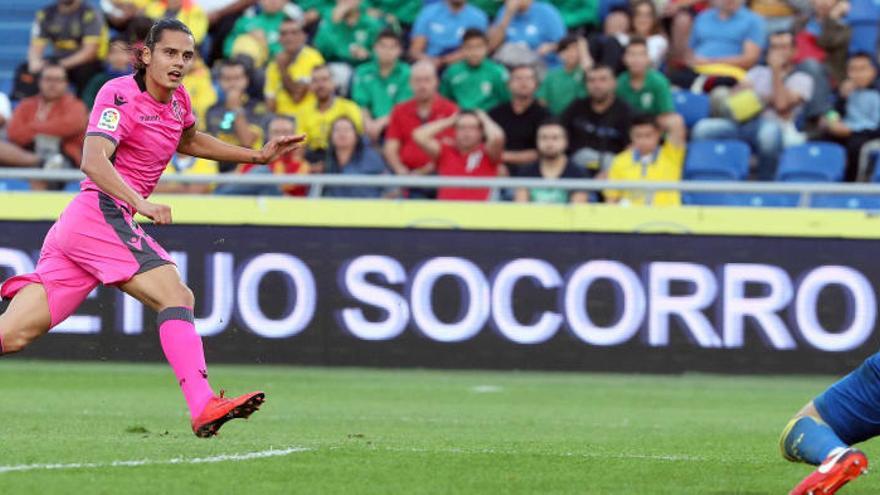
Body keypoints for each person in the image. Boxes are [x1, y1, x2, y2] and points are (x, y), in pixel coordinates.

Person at [0, 19, 304, 438]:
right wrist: (139, 201)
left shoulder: (179, 100)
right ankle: (203, 404)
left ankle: (204, 404)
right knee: (176, 295)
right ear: (145, 55)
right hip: (99, 213)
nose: (179, 63)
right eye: (169, 53)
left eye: (187, 55)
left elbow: (190, 140)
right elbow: (92, 160)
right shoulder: (119, 93)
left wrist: (257, 156)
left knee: (11, 335)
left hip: (83, 227)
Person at [691, 31, 810, 180]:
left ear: (794, 51)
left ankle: (766, 185)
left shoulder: (802, 78)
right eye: (774, 47)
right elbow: (734, 99)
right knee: (703, 129)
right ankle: (706, 179)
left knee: (768, 135)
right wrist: (763, 98)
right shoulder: (757, 72)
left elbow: (781, 105)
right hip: (742, 123)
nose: (778, 52)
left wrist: (775, 72)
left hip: (776, 127)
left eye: (783, 47)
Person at [384, 61, 459, 198]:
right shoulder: (399, 110)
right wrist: (400, 169)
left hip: (440, 175)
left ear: (436, 82)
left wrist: (423, 172)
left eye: (427, 80)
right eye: (417, 81)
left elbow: (452, 149)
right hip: (405, 174)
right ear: (410, 83)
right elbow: (391, 147)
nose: (422, 85)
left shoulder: (451, 110)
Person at [7, 63, 88, 177]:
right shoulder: (26, 104)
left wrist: (32, 127)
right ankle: (40, 162)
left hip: (62, 156)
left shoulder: (76, 105)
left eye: (58, 80)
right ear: (39, 81)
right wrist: (50, 129)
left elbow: (72, 125)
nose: (52, 84)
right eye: (48, 79)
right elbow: (14, 133)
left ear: (66, 83)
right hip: (24, 154)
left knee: (47, 171)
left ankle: (43, 164)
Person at [22, 0, 108, 98]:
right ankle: (26, 107)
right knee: (26, 70)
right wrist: (34, 63)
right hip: (58, 59)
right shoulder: (45, 13)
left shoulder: (90, 13)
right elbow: (36, 46)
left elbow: (89, 52)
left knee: (85, 72)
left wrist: (60, 65)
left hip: (82, 62)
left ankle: (82, 109)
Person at [413, 110, 505, 201]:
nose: (467, 132)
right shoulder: (445, 151)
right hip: (446, 212)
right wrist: (450, 120)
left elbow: (497, 137)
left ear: (481, 132)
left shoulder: (488, 153)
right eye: (462, 127)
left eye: (472, 128)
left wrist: (484, 118)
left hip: (479, 212)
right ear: (454, 131)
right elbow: (419, 135)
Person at [560, 65, 634, 176]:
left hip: (614, 176)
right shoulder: (576, 107)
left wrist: (612, 172)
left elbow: (634, 147)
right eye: (591, 80)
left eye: (603, 79)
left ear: (614, 83)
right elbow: (558, 131)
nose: (597, 85)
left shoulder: (627, 112)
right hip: (575, 174)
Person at [819, 53, 880, 182]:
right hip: (845, 130)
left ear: (873, 71)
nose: (857, 74)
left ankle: (852, 186)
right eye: (853, 69)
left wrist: (851, 131)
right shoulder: (844, 91)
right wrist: (832, 119)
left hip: (867, 133)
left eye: (862, 69)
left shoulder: (877, 92)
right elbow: (831, 112)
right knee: (821, 138)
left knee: (855, 145)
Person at [216, 115, 311, 196]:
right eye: (276, 132)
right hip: (252, 209)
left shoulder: (301, 165)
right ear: (268, 136)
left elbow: (292, 190)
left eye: (286, 132)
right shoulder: (252, 160)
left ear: (294, 136)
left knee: (263, 173)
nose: (282, 137)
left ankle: (214, 200)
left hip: (285, 209)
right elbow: (239, 185)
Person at [604, 113, 686, 206]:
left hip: (667, 215)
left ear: (658, 134)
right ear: (631, 135)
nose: (643, 141)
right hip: (632, 216)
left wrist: (655, 121)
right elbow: (611, 199)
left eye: (648, 135)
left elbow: (676, 121)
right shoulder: (620, 160)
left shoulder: (671, 154)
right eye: (638, 136)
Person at [205, 59, 268, 172]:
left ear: (246, 80)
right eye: (227, 79)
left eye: (237, 78)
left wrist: (235, 109)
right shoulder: (212, 110)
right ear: (219, 81)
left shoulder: (257, 108)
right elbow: (221, 132)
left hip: (247, 170)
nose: (232, 84)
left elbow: (247, 141)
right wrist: (230, 113)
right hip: (218, 170)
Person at [352, 30, 413, 142]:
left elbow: (403, 107)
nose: (387, 51)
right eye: (383, 46)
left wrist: (380, 124)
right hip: (367, 126)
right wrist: (369, 123)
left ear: (399, 50)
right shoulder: (363, 71)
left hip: (397, 126)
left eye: (392, 47)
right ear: (375, 48)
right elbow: (361, 104)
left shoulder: (407, 73)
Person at [488, 65, 550, 176]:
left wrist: (502, 157)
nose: (523, 83)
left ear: (536, 85)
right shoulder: (495, 114)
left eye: (528, 78)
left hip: (534, 171)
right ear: (508, 85)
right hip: (498, 169)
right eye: (518, 78)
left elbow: (544, 150)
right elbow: (485, 145)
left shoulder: (545, 115)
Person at [617, 37, 685, 135]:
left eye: (641, 54)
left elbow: (666, 114)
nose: (636, 59)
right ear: (624, 58)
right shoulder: (620, 81)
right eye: (632, 54)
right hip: (627, 129)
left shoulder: (659, 82)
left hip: (654, 129)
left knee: (675, 121)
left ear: (648, 58)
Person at [514, 119, 589, 203]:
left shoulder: (578, 173)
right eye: (544, 138)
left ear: (566, 142)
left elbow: (578, 212)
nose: (549, 143)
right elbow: (521, 209)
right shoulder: (525, 172)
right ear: (536, 141)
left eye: (555, 138)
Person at [298, 65, 364, 158]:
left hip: (344, 157)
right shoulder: (304, 112)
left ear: (333, 83)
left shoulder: (349, 107)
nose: (320, 85)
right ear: (310, 86)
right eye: (315, 81)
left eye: (325, 79)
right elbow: (301, 146)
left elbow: (357, 140)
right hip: (313, 157)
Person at [264, 18, 324, 120]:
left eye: (294, 32)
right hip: (281, 121)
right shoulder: (273, 65)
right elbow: (270, 103)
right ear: (279, 39)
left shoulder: (313, 57)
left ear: (303, 36)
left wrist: (283, 69)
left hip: (307, 119)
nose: (289, 37)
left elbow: (297, 96)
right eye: (284, 33)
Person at [440, 29, 510, 111]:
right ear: (462, 49)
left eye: (479, 47)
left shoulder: (497, 71)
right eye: (469, 47)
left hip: (490, 117)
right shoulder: (452, 72)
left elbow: (507, 101)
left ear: (486, 48)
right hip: (460, 118)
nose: (474, 52)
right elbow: (444, 101)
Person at [409, 0, 489, 69]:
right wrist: (432, 61)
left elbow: (479, 48)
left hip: (463, 64)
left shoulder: (478, 17)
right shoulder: (428, 13)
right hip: (432, 63)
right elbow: (415, 51)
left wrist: (449, 59)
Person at [322, 117, 388, 198]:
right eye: (337, 130)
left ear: (356, 136)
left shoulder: (371, 157)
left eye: (347, 130)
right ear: (330, 136)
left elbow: (391, 189)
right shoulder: (326, 160)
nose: (342, 134)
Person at [487, 0, 566, 67]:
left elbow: (563, 44)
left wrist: (549, 47)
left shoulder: (547, 12)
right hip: (510, 65)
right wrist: (508, 15)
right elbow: (492, 47)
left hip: (539, 64)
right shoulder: (504, 11)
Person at [223, 0, 297, 66]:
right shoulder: (246, 21)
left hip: (271, 66)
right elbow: (229, 43)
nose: (272, 1)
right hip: (238, 64)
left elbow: (289, 52)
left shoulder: (289, 23)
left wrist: (265, 45)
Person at [537, 35, 591, 115]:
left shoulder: (585, 72)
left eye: (575, 49)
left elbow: (589, 70)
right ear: (559, 54)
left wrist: (584, 50)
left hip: (582, 118)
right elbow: (542, 100)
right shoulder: (552, 76)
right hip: (556, 119)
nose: (571, 53)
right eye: (566, 49)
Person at [82, 38, 133, 109]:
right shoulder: (99, 79)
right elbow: (88, 98)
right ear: (107, 56)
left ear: (130, 55)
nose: (118, 56)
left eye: (122, 52)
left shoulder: (137, 79)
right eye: (114, 52)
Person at [145, 0, 210, 46]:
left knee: (206, 40)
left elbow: (196, 36)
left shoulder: (194, 10)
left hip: (182, 44)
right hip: (157, 41)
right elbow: (146, 26)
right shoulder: (156, 6)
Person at [630, 0, 669, 68]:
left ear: (654, 19)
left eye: (647, 15)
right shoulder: (623, 39)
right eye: (639, 14)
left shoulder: (658, 41)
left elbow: (644, 64)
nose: (642, 19)